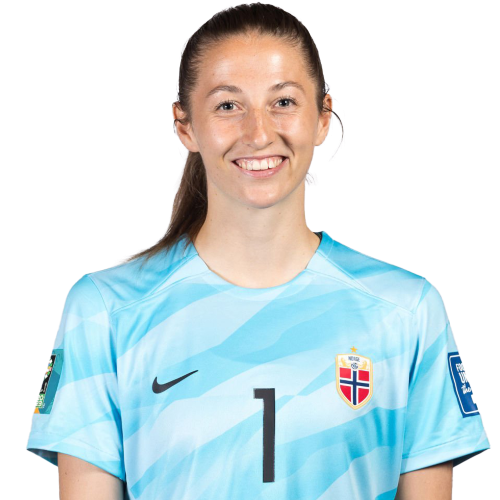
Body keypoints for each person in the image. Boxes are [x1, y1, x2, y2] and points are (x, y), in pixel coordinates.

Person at [25, 2, 490, 499]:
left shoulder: (407, 310)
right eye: (228, 106)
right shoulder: (105, 312)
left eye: (283, 101)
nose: (259, 133)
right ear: (185, 125)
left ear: (323, 117)